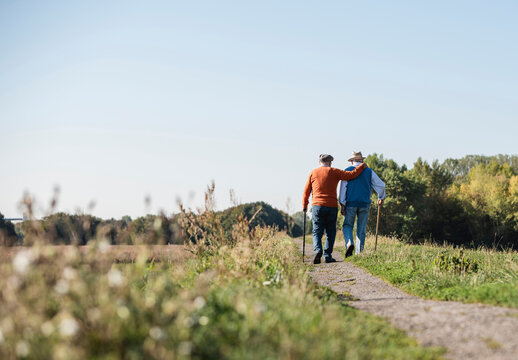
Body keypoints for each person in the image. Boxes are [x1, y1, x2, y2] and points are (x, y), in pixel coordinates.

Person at [303, 154, 367, 264]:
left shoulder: (313, 172)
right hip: (331, 206)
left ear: (320, 162)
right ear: (330, 162)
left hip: (317, 206)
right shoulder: (334, 171)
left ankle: (318, 251)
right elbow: (351, 175)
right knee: (330, 232)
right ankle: (327, 255)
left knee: (316, 231)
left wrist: (305, 205)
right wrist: (361, 166)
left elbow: (306, 191)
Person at [339, 151, 386, 257]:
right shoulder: (369, 171)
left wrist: (342, 204)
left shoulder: (347, 171)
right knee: (361, 228)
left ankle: (349, 243)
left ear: (351, 161)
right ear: (362, 161)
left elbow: (343, 189)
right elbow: (381, 185)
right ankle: (359, 253)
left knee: (347, 225)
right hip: (365, 203)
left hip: (351, 203)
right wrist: (381, 197)